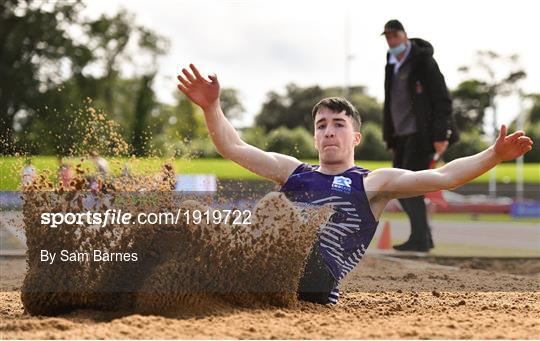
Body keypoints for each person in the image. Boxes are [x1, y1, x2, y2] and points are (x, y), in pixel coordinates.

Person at [176, 64, 532, 305]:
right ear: (315, 137)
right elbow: (234, 147)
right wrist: (212, 107)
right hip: (269, 274)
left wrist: (493, 154)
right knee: (198, 227)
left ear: (356, 137)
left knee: (271, 214)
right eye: (321, 125)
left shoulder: (372, 183)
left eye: (338, 124)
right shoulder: (291, 171)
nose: (328, 130)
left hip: (317, 277)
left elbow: (444, 176)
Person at [381, 19, 458, 252]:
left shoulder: (423, 62)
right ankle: (424, 237)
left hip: (422, 134)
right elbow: (390, 103)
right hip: (402, 136)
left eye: (395, 36)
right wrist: (390, 137)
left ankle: (420, 239)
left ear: (405, 36)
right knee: (398, 188)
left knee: (410, 187)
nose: (391, 41)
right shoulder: (391, 64)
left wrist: (441, 134)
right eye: (388, 37)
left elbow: (441, 98)